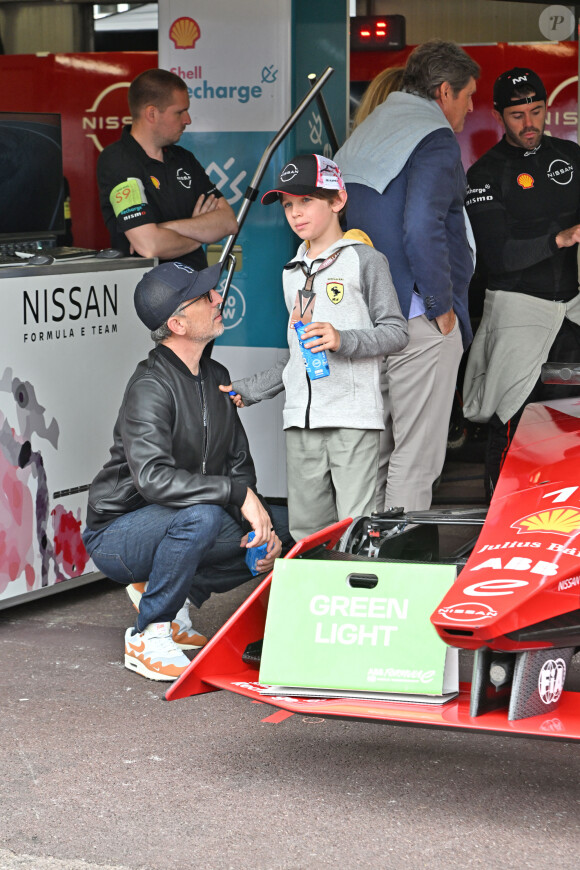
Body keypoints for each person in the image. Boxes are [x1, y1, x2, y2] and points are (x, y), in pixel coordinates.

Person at [82, 260, 286, 682]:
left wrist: (262, 527)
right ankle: (148, 634)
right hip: (118, 533)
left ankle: (174, 602)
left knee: (286, 526)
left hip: (181, 520)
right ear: (176, 323)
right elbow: (154, 479)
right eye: (204, 296)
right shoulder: (149, 386)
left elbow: (237, 465)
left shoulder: (216, 375)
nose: (218, 299)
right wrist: (236, 495)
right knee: (205, 514)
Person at [220, 154, 408, 542]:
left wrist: (344, 339)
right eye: (288, 204)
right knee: (307, 531)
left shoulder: (365, 260)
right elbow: (299, 354)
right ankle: (318, 602)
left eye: (306, 200)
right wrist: (250, 389)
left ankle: (353, 601)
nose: (295, 213)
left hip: (352, 419)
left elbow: (396, 332)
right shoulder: (291, 272)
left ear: (337, 200)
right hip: (301, 422)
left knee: (354, 528)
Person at [334, 39, 479, 513]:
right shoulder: (434, 137)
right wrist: (441, 305)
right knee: (416, 457)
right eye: (468, 95)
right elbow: (422, 227)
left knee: (373, 454)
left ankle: (361, 560)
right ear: (443, 92)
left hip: (360, 317)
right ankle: (400, 569)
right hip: (418, 319)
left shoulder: (365, 133)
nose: (471, 106)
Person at [463, 67, 580, 498]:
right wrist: (561, 238)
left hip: (572, 307)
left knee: (569, 423)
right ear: (497, 115)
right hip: (517, 306)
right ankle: (500, 515)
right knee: (511, 418)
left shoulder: (571, 157)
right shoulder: (485, 174)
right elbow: (497, 257)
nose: (530, 123)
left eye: (537, 110)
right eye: (517, 115)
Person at [96, 68, 237, 268]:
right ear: (152, 113)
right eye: (180, 112)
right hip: (149, 294)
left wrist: (165, 228)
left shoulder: (184, 159)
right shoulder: (117, 161)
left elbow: (228, 221)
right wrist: (201, 233)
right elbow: (150, 246)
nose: (187, 120)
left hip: (197, 290)